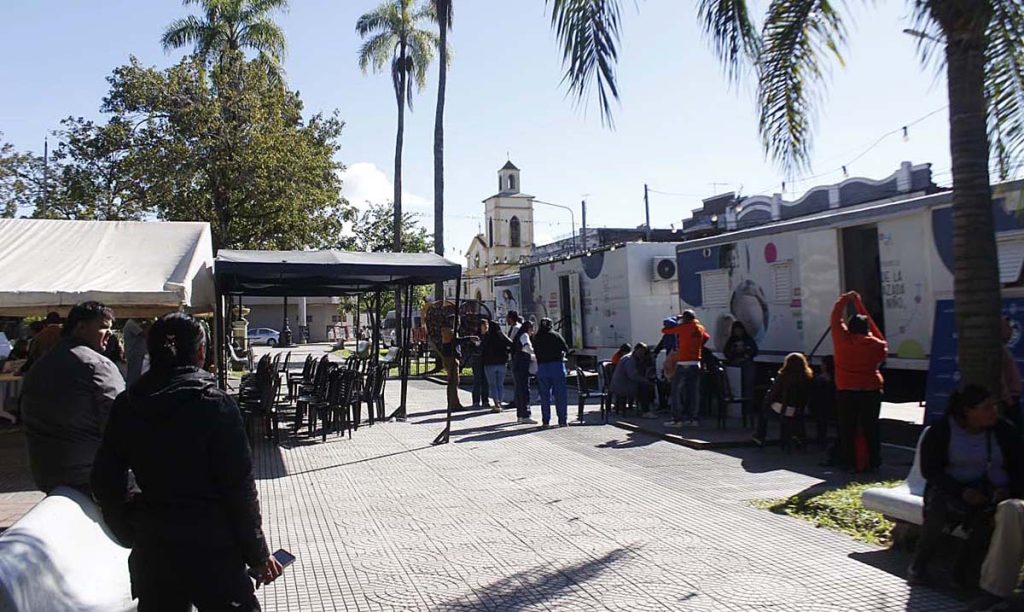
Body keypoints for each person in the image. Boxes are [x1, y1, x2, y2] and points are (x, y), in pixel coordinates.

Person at [91, 313, 281, 610]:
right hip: (214, 551)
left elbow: (105, 480)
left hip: (155, 548)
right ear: (201, 353)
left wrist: (130, 529)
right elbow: (239, 490)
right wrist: (257, 555)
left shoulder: (128, 405)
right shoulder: (215, 405)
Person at [909, 385, 1024, 591]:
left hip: (991, 491)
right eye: (987, 408)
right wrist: (961, 491)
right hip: (951, 489)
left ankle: (962, 573)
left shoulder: (1004, 430)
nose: (994, 412)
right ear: (968, 411)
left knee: (987, 519)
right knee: (938, 511)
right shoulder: (942, 430)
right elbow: (931, 471)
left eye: (994, 407)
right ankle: (919, 565)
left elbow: (1018, 467)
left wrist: (1007, 489)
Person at [20, 302, 125, 494]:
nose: (110, 333)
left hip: (45, 473)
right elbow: (120, 422)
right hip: (90, 474)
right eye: (103, 327)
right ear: (81, 327)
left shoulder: (41, 364)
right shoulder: (96, 365)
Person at [831, 291, 888, 472]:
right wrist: (859, 305)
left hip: (846, 389)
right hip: (871, 389)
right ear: (866, 329)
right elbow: (879, 336)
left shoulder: (841, 341)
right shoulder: (877, 345)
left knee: (847, 427)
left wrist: (845, 300)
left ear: (849, 328)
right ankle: (874, 461)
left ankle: (849, 461)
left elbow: (835, 318)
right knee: (871, 426)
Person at [752, 353, 813, 448]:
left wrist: (768, 401)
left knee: (764, 410)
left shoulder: (783, 376)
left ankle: (760, 435)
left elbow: (774, 392)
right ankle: (798, 436)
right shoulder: (806, 377)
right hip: (797, 409)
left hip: (784, 408)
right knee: (794, 417)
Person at [663, 310, 710, 427]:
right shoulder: (700, 328)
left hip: (683, 362)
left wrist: (675, 318)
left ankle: (677, 420)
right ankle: (693, 419)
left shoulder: (683, 327)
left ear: (685, 318)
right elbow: (706, 337)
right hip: (696, 363)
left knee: (676, 392)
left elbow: (665, 330)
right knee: (693, 392)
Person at [533, 318, 571, 427]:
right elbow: (566, 349)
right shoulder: (556, 335)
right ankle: (562, 421)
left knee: (544, 396)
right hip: (557, 367)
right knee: (560, 396)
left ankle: (546, 421)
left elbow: (535, 351)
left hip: (542, 368)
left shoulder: (537, 337)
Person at [723, 321, 759, 417]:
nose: (738, 332)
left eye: (740, 330)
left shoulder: (748, 339)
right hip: (735, 365)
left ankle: (748, 410)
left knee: (748, 386)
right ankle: (736, 411)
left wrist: (746, 353)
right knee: (736, 388)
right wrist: (733, 351)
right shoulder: (731, 341)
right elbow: (726, 352)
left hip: (747, 364)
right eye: (736, 331)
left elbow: (754, 351)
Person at [610, 342, 656, 416]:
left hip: (622, 383)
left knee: (646, 385)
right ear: (636, 350)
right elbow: (632, 375)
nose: (642, 354)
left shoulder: (633, 358)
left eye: (644, 352)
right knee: (645, 387)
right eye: (641, 351)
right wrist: (645, 380)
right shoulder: (629, 360)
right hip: (623, 385)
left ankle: (646, 407)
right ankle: (645, 411)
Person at [479, 319, 513, 413]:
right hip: (502, 363)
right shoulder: (501, 336)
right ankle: (500, 403)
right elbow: (510, 343)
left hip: (489, 364)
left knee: (493, 385)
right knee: (500, 384)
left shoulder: (487, 336)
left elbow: (481, 348)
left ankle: (496, 404)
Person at [809, 356, 838, 454]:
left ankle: (821, 440)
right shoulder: (837, 378)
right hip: (834, 405)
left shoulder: (820, 379)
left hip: (821, 406)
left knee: (821, 421)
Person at [511, 320, 537, 424]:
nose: (533, 332)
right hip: (522, 367)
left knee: (519, 391)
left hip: (517, 365)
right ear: (529, 328)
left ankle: (520, 415)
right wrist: (535, 354)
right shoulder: (525, 335)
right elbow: (527, 348)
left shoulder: (518, 336)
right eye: (532, 329)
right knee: (524, 390)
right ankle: (526, 414)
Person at [1000, 316, 1021, 427]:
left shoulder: (1004, 349)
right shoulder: (999, 350)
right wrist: (1007, 399)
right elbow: (1000, 376)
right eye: (1007, 327)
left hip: (1013, 397)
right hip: (1009, 400)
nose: (1011, 331)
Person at [440, 322, 465, 411]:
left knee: (455, 381)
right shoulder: (449, 332)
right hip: (450, 358)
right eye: (457, 321)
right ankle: (453, 404)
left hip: (453, 357)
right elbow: (456, 341)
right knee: (453, 381)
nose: (458, 323)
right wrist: (469, 339)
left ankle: (454, 402)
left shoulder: (451, 332)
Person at [469, 319, 490, 408]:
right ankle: (476, 401)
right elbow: (471, 348)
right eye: (484, 326)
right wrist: (477, 344)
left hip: (486, 359)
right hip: (477, 359)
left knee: (485, 380)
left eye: (486, 326)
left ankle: (485, 400)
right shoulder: (476, 336)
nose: (486, 327)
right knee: (477, 380)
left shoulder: (489, 336)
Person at [122, 318, 149, 386]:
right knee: (134, 375)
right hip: (134, 354)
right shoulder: (131, 323)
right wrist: (150, 324)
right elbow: (144, 333)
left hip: (139, 354)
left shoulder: (137, 324)